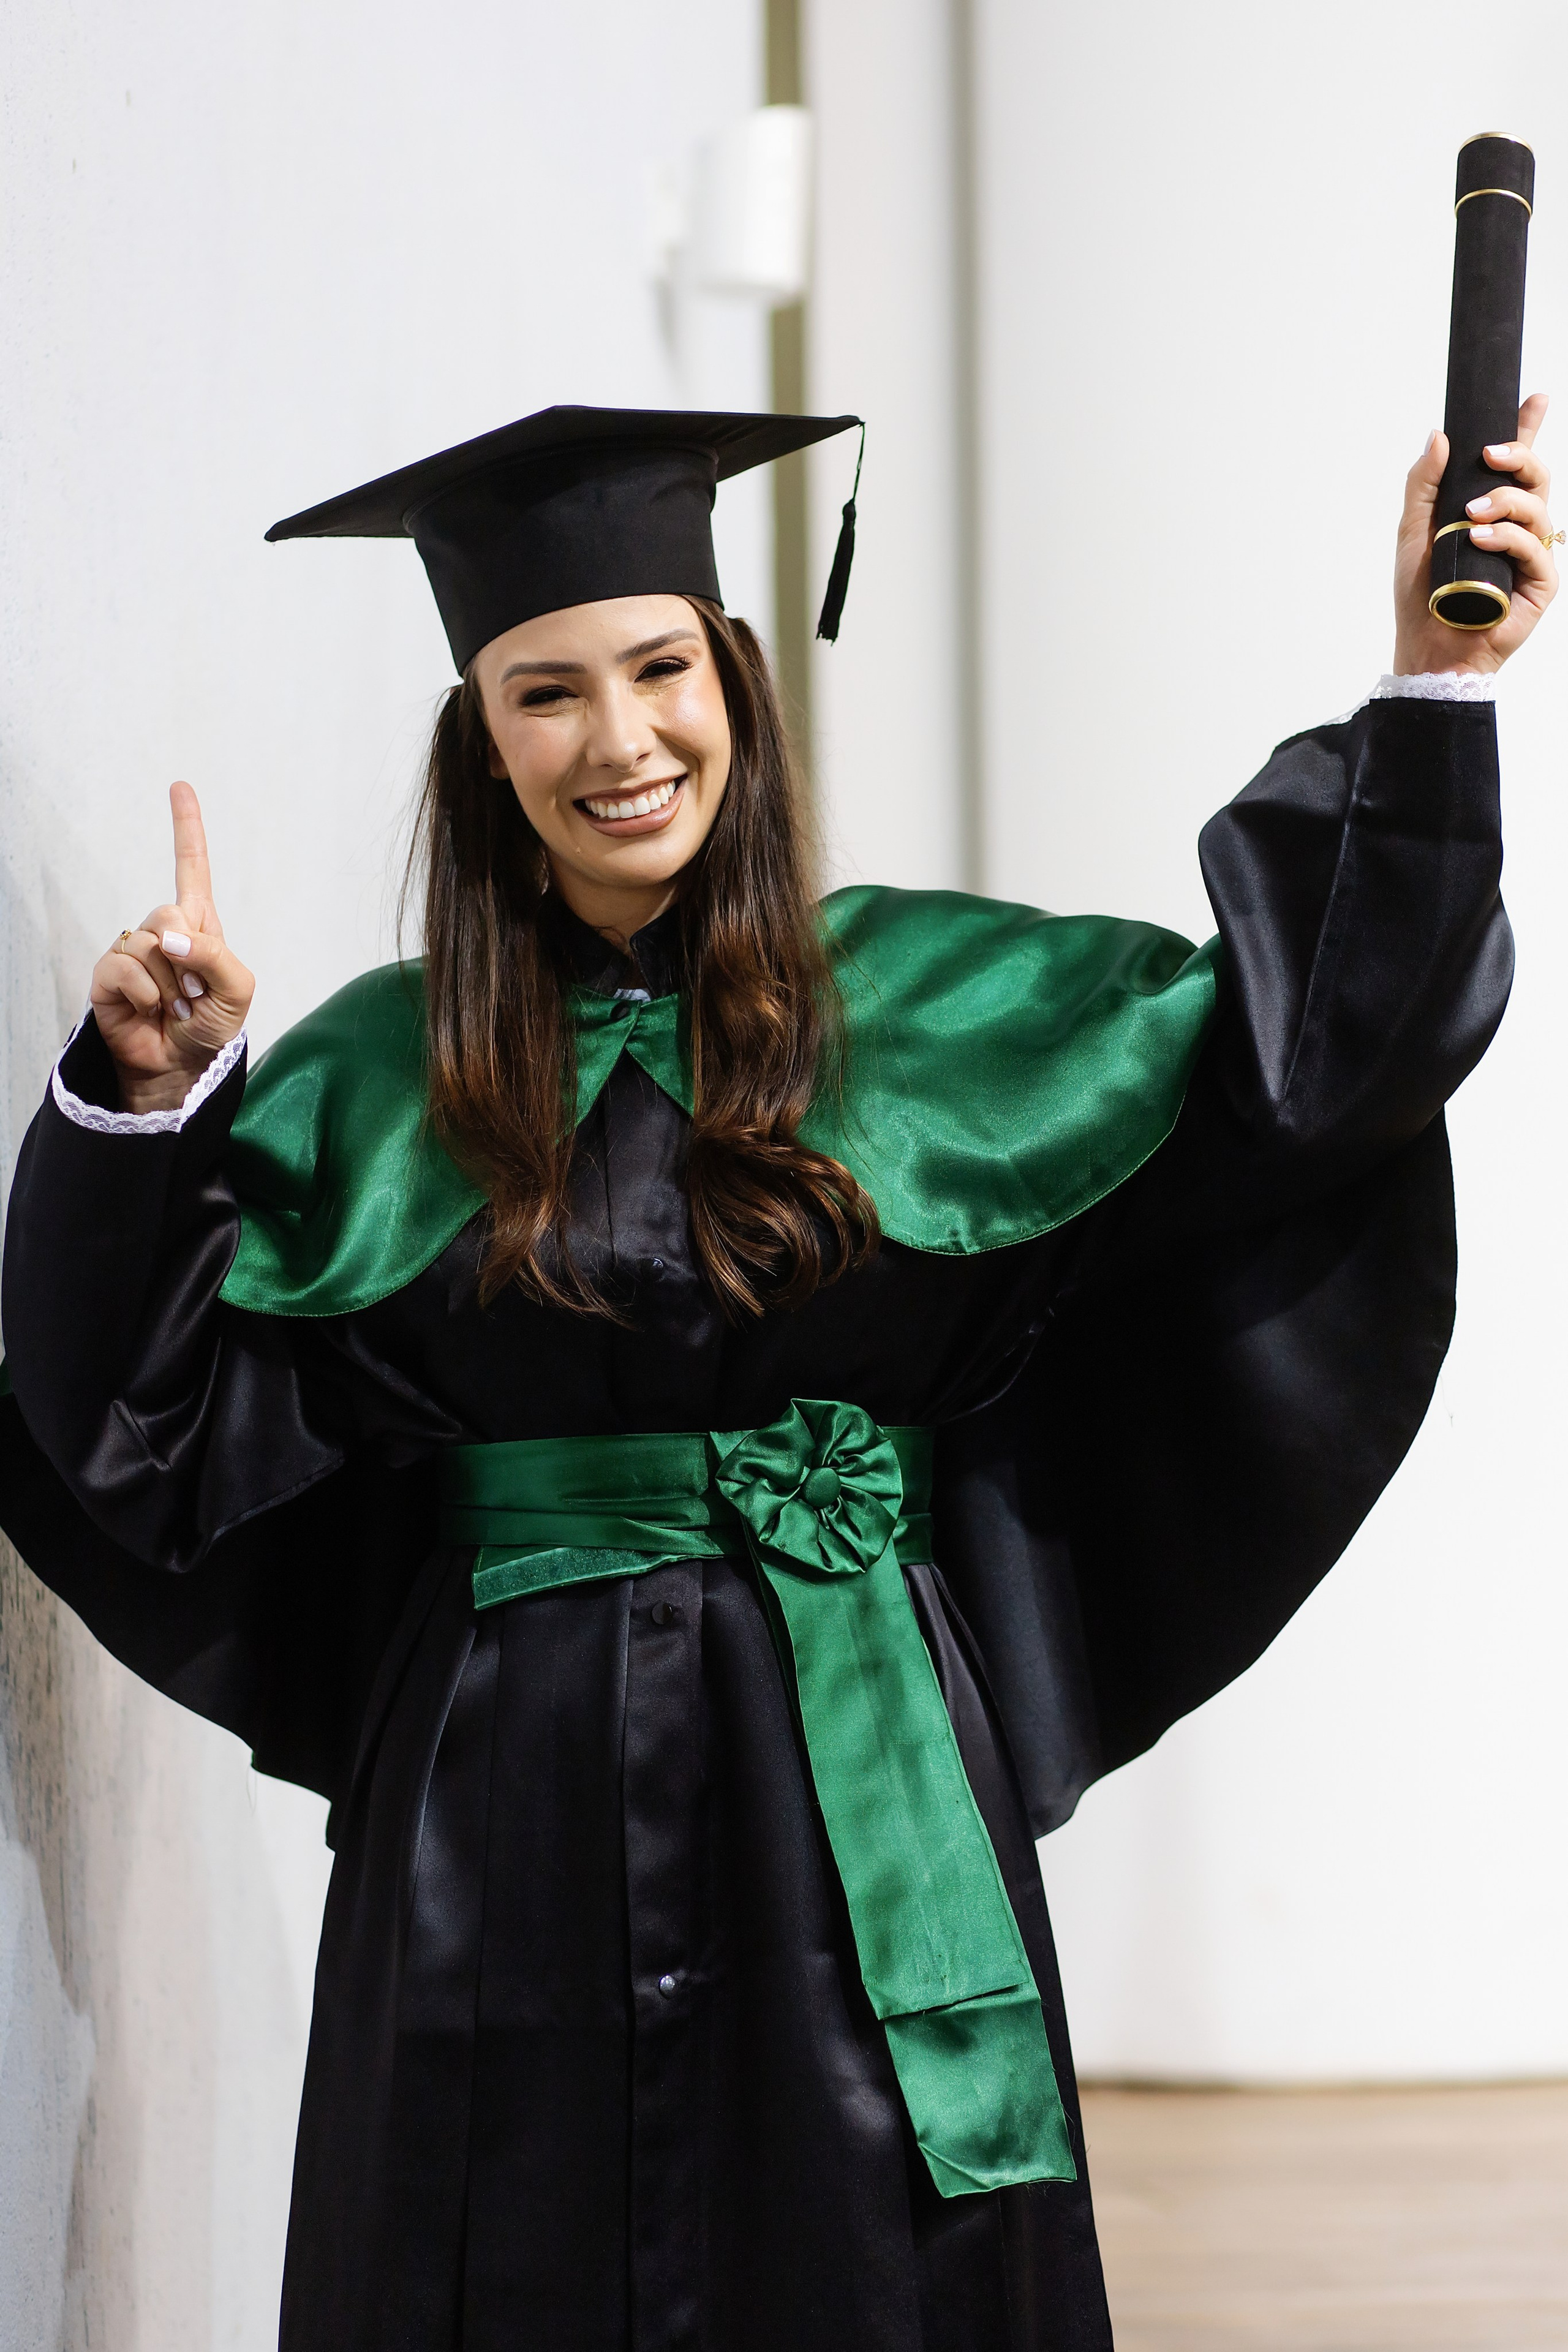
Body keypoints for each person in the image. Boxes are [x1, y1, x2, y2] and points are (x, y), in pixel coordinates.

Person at [0, 394, 1554, 2352]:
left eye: (661, 670)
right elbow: (128, 1419)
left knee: (872, 2252)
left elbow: (1303, 1070)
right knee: (501, 2238)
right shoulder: (383, 1073)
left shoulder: (930, 1003)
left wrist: (1433, 683)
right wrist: (150, 1100)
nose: (620, 740)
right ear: (482, 739)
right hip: (504, 1780)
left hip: (857, 1743)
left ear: (735, 678)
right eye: (547, 692)